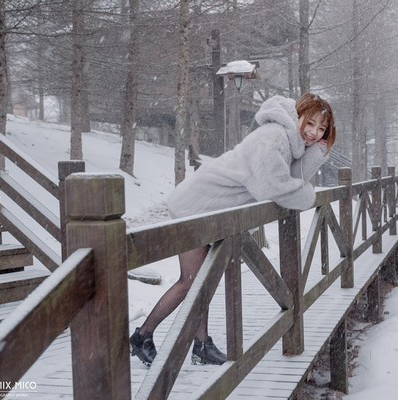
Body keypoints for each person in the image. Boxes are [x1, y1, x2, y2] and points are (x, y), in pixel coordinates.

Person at [129, 93, 337, 367]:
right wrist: (308, 196)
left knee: (202, 280)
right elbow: (273, 187)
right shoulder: (273, 137)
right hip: (195, 206)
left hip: (212, 212)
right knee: (191, 282)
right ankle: (142, 335)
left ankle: (201, 344)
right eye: (310, 123)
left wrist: (318, 153)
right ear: (297, 116)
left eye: (322, 129)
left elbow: (292, 177)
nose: (314, 132)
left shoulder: (288, 141)